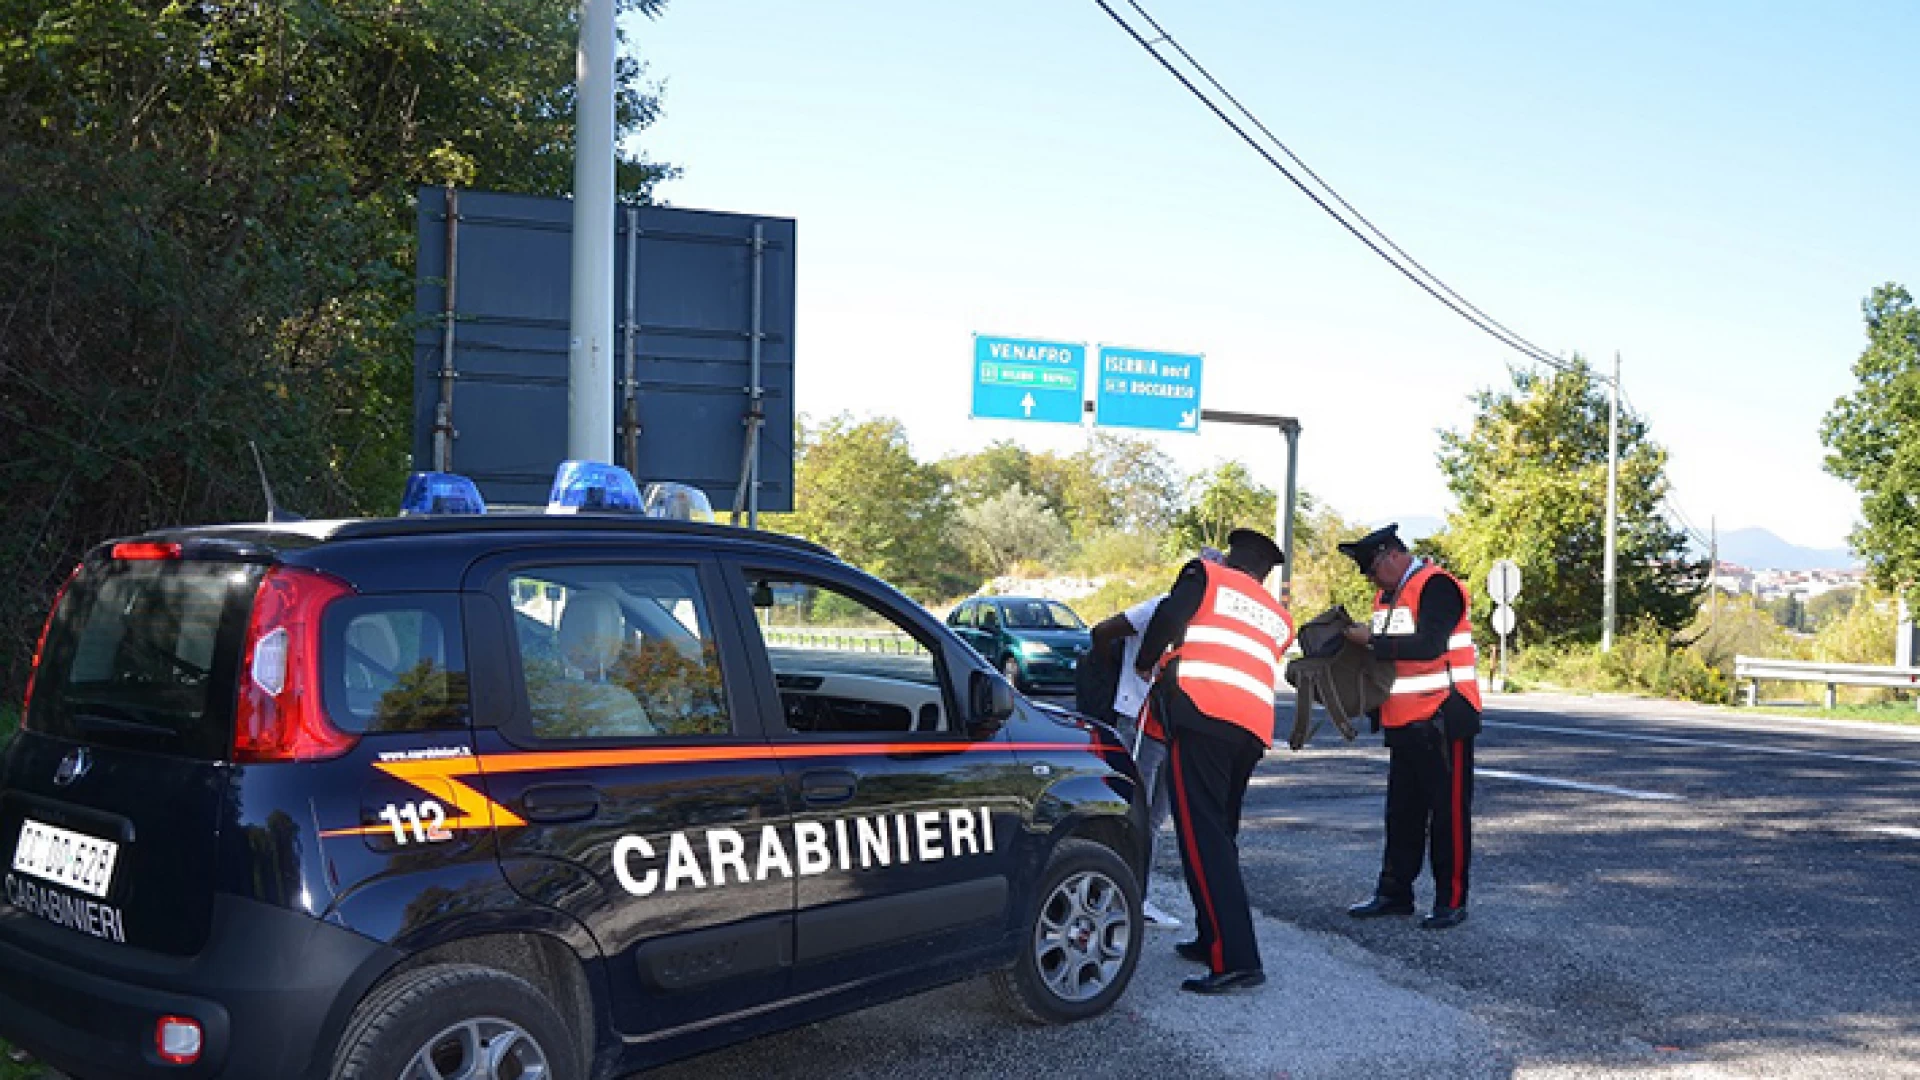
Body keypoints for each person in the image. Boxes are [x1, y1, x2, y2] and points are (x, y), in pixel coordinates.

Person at [1134, 528, 1293, 994]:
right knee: (1220, 836)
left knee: (1204, 840)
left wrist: (1147, 661)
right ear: (1263, 573)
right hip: (1250, 731)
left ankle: (1237, 959)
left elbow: (1168, 616)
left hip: (1203, 714)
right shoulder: (1276, 615)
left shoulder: (1207, 576)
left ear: (1229, 558)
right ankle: (1212, 937)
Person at [1336, 523, 1483, 930]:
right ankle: (1394, 894)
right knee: (1402, 813)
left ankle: (1451, 900)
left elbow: (1431, 644)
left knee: (1448, 813)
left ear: (1391, 555)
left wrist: (1370, 642)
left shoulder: (1438, 585)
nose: (1370, 579)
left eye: (1372, 569)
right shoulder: (1386, 596)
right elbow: (1389, 661)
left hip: (1443, 716)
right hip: (1403, 719)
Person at [1088, 547, 1226, 932]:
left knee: (1156, 818)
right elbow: (1102, 632)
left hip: (1175, 727)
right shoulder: (1158, 608)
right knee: (1132, 814)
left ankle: (1137, 897)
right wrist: (1125, 679)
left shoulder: (1210, 624)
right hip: (1140, 722)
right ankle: (1117, 896)